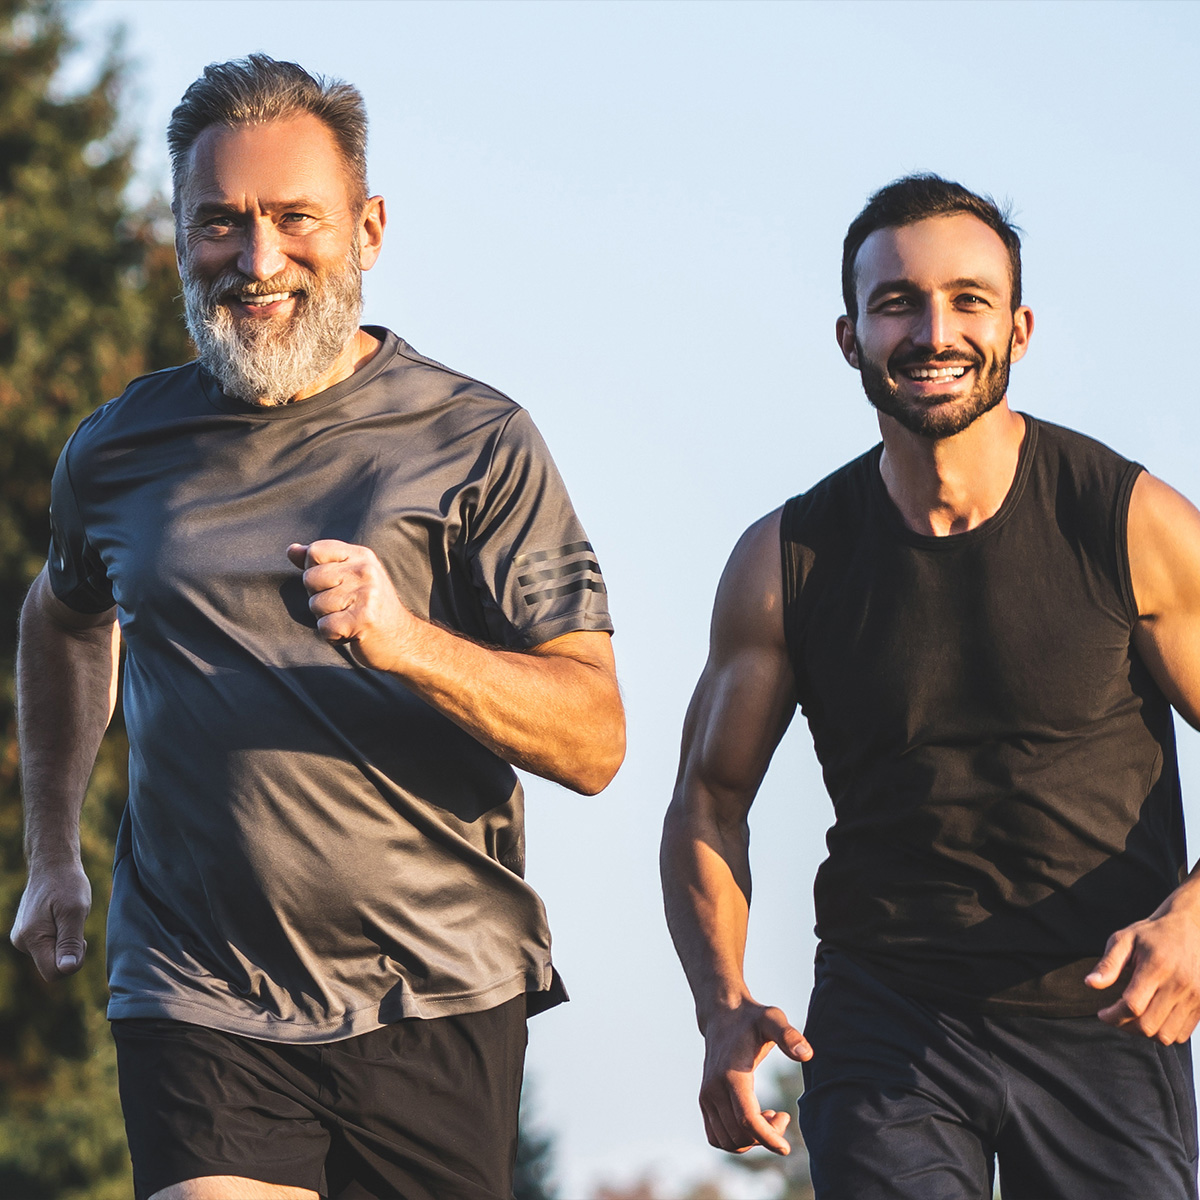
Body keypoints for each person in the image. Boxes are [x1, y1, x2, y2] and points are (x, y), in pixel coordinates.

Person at [10, 54, 624, 1200]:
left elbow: (593, 738)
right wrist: (52, 856)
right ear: (181, 233)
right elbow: (61, 620)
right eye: (221, 224)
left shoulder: (477, 440)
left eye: (297, 219)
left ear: (369, 227)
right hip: (199, 994)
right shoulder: (117, 453)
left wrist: (405, 640)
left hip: (439, 993)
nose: (259, 261)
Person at [661, 174, 1200, 1198]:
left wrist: (1196, 921)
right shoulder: (789, 560)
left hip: (1101, 1015)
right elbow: (706, 801)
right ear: (850, 335)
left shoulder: (1125, 523)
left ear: (1020, 328)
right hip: (886, 1019)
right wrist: (721, 1003)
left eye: (967, 300)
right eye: (897, 302)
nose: (933, 330)